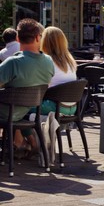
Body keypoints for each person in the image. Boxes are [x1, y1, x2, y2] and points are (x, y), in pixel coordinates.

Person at [0, 18, 54, 156]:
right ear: (38, 37)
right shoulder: (48, 62)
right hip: (27, 110)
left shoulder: (13, 62)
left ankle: (18, 142)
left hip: (7, 112)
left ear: (17, 38)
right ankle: (21, 142)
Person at [38, 26, 78, 114]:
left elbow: (40, 86)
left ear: (44, 42)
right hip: (72, 107)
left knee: (22, 108)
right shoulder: (70, 61)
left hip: (54, 107)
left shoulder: (47, 61)